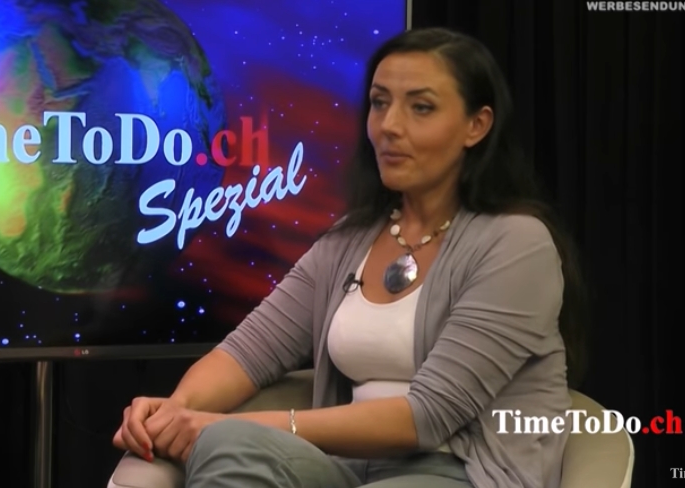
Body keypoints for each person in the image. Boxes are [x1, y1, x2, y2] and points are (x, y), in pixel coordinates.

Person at [112, 26, 587, 488]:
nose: (390, 126)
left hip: (458, 471)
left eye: (421, 107)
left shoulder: (517, 244)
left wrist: (240, 425)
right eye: (380, 103)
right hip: (345, 469)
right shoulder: (348, 240)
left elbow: (429, 416)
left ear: (476, 126)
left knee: (226, 434)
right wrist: (177, 410)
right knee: (226, 443)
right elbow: (248, 352)